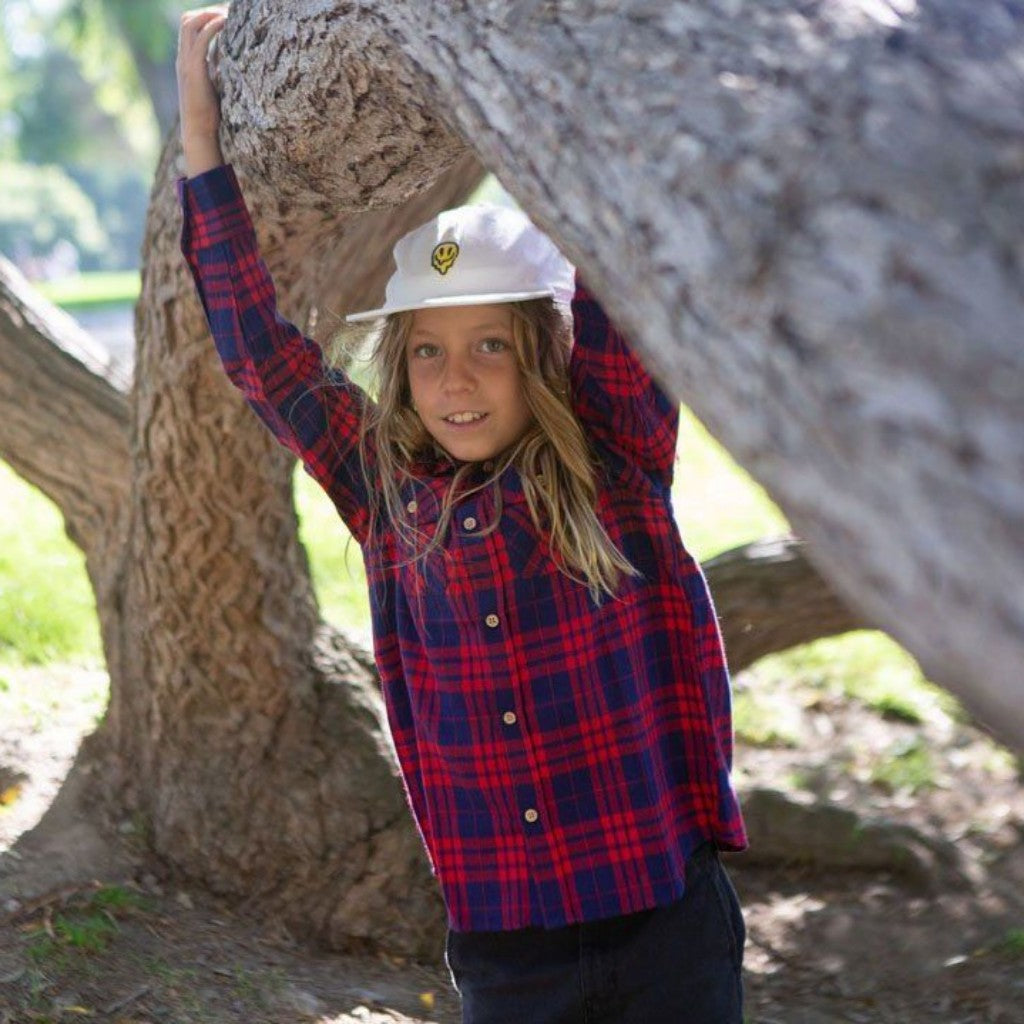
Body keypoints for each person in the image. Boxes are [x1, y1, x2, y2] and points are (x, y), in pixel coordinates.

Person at [176, 8, 748, 1022]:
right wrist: (199, 144)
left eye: (491, 344)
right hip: (506, 953)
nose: (456, 380)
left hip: (667, 920)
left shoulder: (615, 456)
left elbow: (622, 274)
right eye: (429, 351)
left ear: (541, 353)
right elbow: (256, 350)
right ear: (400, 367)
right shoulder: (385, 492)